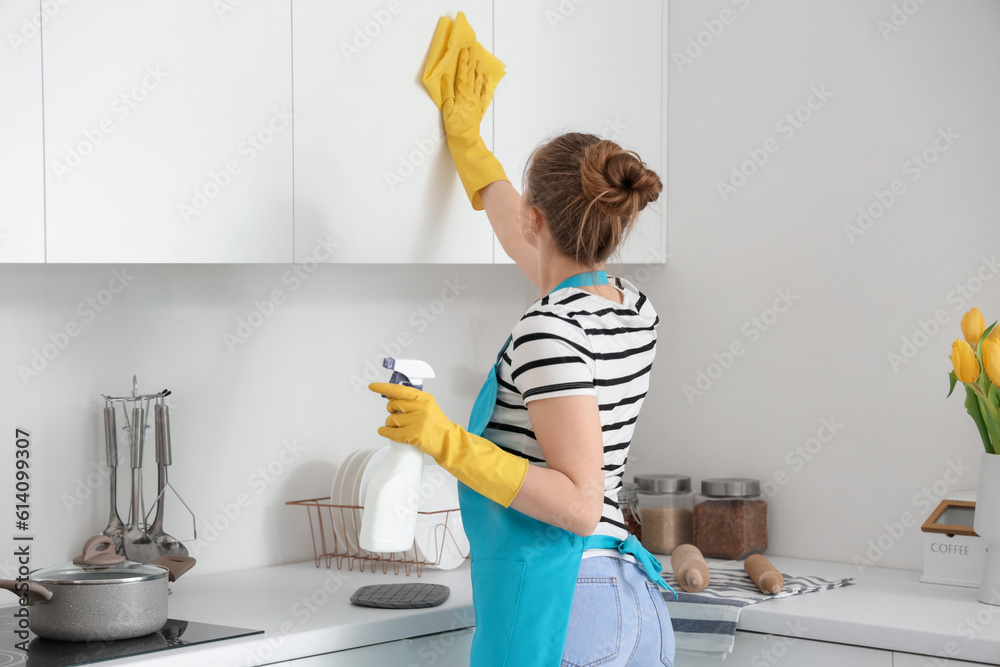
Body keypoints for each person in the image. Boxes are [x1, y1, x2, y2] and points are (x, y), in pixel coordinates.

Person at [369, 14, 676, 667]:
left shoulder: (547, 328)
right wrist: (467, 140)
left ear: (542, 218)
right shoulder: (633, 310)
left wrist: (443, 440)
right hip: (630, 603)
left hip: (564, 604)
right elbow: (524, 234)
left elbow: (576, 500)